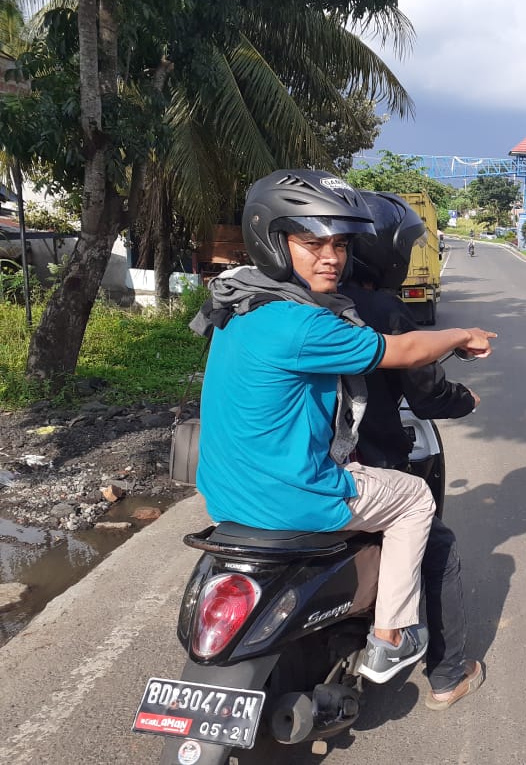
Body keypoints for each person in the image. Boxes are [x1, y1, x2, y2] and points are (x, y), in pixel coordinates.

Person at [190, 170, 496, 686]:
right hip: (294, 497)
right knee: (417, 499)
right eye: (312, 243)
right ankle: (393, 638)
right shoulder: (309, 324)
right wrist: (463, 334)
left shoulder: (238, 305)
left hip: (225, 497)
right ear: (274, 240)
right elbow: (404, 355)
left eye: (339, 244)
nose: (330, 257)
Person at [342, 191, 484, 709]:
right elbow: (424, 389)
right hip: (360, 468)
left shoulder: (293, 310)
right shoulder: (382, 309)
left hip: (263, 477)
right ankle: (447, 676)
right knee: (438, 548)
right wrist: (463, 399)